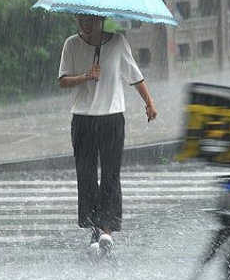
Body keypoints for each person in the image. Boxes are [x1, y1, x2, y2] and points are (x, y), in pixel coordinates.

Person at [58, 13, 157, 257]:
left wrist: (149, 102)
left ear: (100, 20)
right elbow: (62, 80)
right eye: (80, 20)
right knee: (87, 175)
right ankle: (94, 229)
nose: (84, 25)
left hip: (112, 117)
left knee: (111, 174)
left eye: (89, 20)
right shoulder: (71, 44)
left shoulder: (118, 43)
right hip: (83, 118)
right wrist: (86, 76)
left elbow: (135, 76)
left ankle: (107, 230)